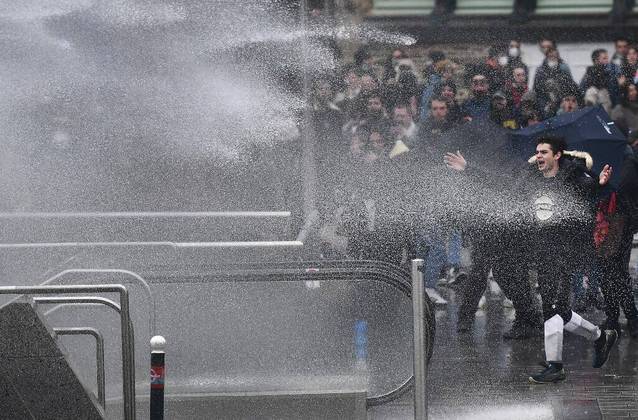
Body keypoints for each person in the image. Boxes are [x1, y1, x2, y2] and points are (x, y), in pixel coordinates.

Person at [524, 136, 618, 383]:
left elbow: (594, 190)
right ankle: (600, 337)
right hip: (543, 253)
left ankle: (555, 366)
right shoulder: (532, 178)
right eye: (537, 152)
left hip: (566, 252)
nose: (539, 156)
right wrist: (469, 170)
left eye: (544, 152)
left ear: (557, 155)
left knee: (553, 308)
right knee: (560, 311)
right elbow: (503, 184)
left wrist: (600, 183)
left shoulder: (574, 177)